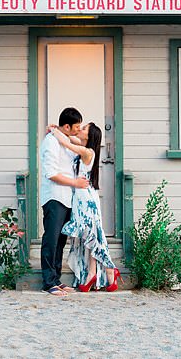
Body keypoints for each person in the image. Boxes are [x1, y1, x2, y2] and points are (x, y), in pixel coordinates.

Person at [51, 122, 121, 292]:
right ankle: (93, 272)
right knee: (88, 234)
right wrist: (60, 130)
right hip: (80, 197)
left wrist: (54, 131)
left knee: (92, 233)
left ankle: (107, 269)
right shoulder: (83, 146)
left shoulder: (88, 151)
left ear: (89, 137)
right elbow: (70, 138)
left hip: (86, 198)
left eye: (83, 129)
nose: (79, 130)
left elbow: (66, 142)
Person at [40, 107, 90, 296]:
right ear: (67, 126)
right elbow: (51, 173)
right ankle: (48, 282)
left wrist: (56, 130)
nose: (78, 130)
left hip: (66, 197)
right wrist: (75, 183)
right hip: (54, 196)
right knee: (51, 240)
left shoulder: (64, 140)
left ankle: (56, 279)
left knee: (60, 241)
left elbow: (79, 145)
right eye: (76, 126)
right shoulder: (51, 142)